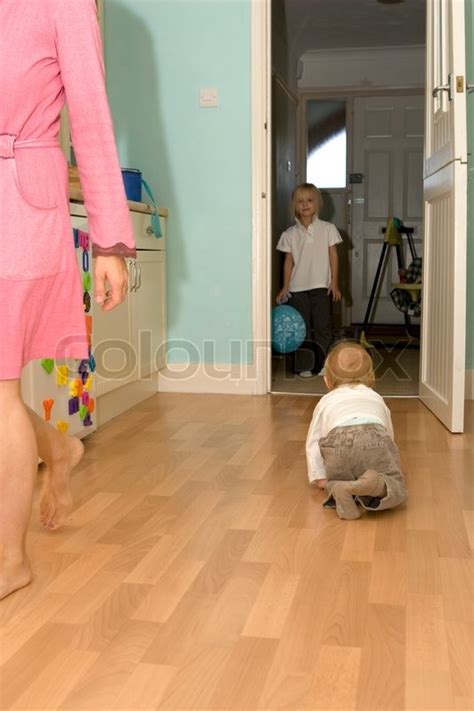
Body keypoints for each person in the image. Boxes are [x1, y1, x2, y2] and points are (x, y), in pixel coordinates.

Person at [0, 0, 136, 599]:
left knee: (0, 387)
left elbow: (92, 120)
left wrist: (110, 240)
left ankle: (10, 560)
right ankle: (59, 447)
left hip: (19, 201)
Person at [305, 341, 408, 520]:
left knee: (337, 477)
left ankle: (338, 487)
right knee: (395, 485)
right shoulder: (375, 397)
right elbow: (388, 435)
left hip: (338, 446)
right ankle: (373, 483)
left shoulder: (326, 401)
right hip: (373, 439)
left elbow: (314, 441)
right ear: (371, 377)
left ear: (327, 381)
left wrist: (319, 477)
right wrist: (391, 464)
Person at [276, 182, 342, 378]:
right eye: (300, 201)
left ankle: (323, 364)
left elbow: (334, 257)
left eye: (309, 200)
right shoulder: (289, 234)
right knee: (301, 329)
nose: (305, 205)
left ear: (318, 204)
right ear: (294, 206)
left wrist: (335, 282)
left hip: (322, 286)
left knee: (323, 327)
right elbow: (288, 262)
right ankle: (304, 365)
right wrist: (285, 287)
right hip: (297, 289)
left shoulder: (328, 229)